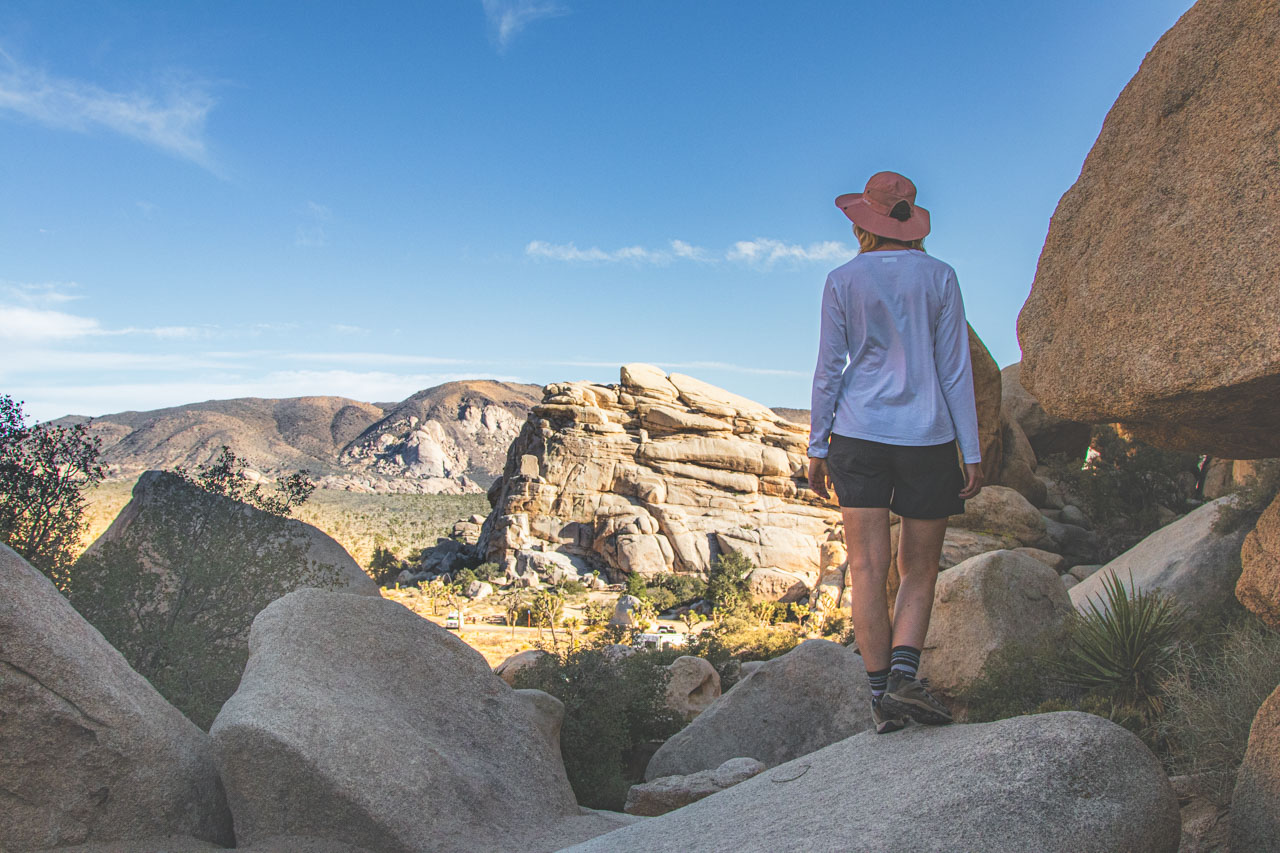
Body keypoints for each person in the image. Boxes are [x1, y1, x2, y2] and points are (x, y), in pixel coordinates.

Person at [807, 171, 983, 734]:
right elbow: (956, 369)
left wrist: (817, 444)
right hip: (928, 437)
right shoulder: (940, 277)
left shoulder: (841, 279)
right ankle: (904, 678)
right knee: (918, 568)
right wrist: (971, 450)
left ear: (865, 223)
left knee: (865, 569)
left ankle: (883, 697)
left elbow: (829, 367)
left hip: (857, 436)